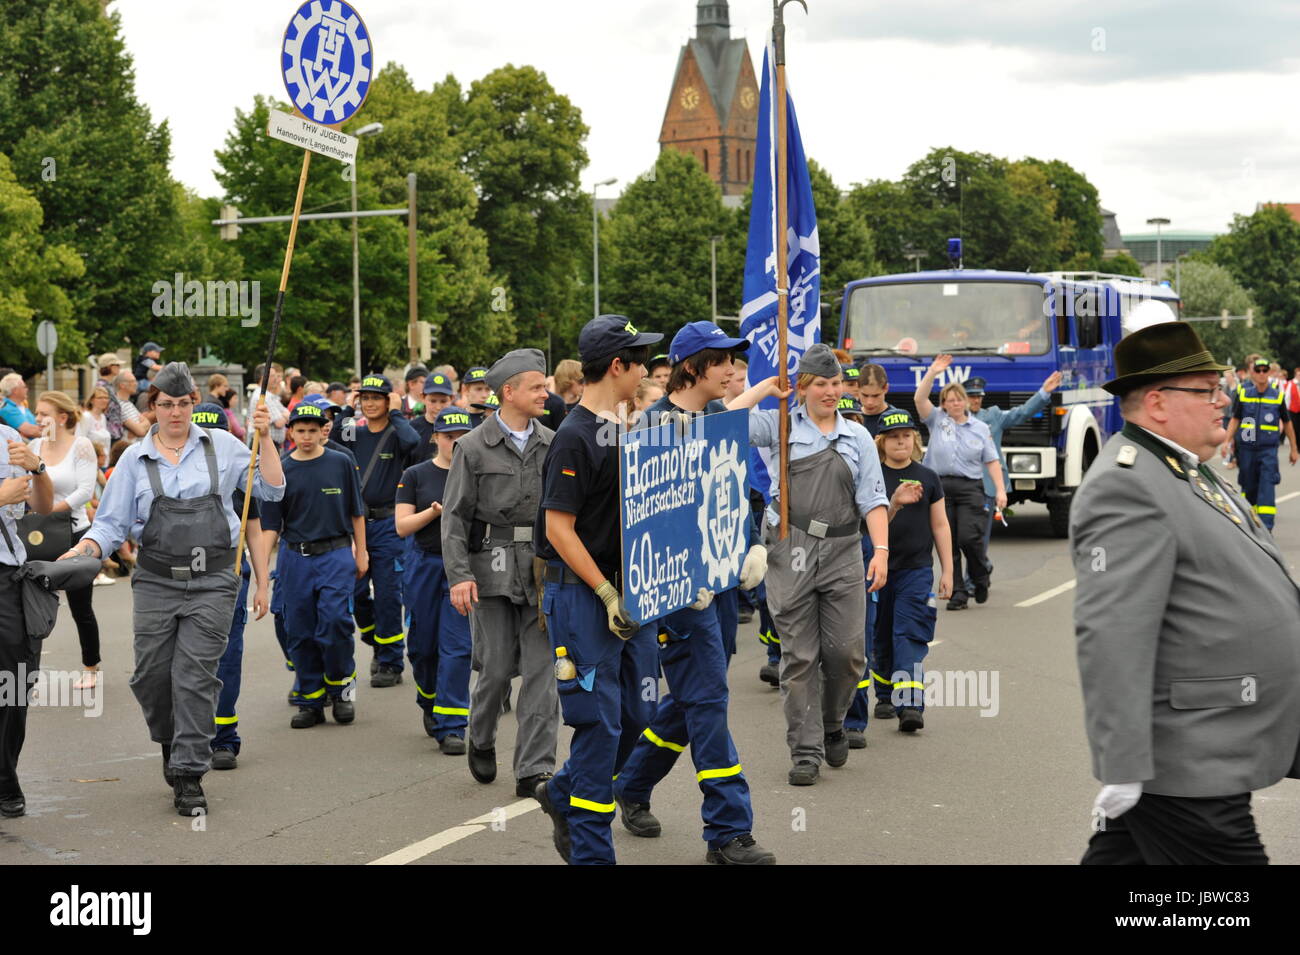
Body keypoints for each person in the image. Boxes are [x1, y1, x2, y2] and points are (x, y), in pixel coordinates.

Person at [1073, 321, 1300, 865]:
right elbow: (1113, 634)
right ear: (1157, 402)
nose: (1223, 400)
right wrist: (1123, 763)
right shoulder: (1126, 485)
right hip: (1190, 756)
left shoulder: (1185, 470)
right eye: (1207, 390)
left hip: (1216, 738)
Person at [62, 362, 284, 815]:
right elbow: (109, 523)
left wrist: (266, 438)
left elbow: (273, 492)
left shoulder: (224, 446)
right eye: (167, 404)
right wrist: (86, 547)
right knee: (152, 677)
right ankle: (172, 741)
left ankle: (187, 773)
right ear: (153, 407)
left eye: (184, 404)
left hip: (214, 581)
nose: (176, 412)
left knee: (195, 677)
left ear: (193, 405)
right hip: (156, 581)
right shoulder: (133, 459)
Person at [612, 321, 776, 864]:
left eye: (734, 359)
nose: (733, 369)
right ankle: (727, 831)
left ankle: (625, 786)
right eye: (724, 359)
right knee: (708, 699)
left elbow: (733, 494)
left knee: (688, 699)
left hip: (721, 587)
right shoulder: (653, 429)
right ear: (694, 366)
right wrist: (680, 578)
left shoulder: (715, 420)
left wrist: (751, 546)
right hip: (683, 597)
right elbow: (642, 521)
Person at [533, 315, 663, 865]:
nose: (646, 371)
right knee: (598, 724)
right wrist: (606, 593)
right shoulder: (575, 436)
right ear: (617, 366)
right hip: (586, 597)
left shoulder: (624, 428)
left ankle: (561, 795)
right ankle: (591, 851)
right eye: (640, 361)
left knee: (638, 716)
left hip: (629, 591)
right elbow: (557, 529)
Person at [748, 343, 890, 786]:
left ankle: (833, 723)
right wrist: (764, 390)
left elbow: (873, 499)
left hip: (845, 550)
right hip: (791, 546)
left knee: (847, 654)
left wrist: (881, 551)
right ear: (803, 387)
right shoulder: (779, 426)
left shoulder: (858, 436)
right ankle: (805, 751)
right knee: (800, 657)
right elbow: (719, 425)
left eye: (836, 383)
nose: (830, 392)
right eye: (821, 384)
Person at [442, 349, 560, 796]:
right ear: (508, 392)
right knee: (493, 670)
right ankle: (482, 734)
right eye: (536, 386)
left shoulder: (553, 442)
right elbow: (453, 517)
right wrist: (459, 576)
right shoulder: (472, 447)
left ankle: (534, 768)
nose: (544, 393)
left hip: (542, 569)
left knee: (541, 673)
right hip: (489, 568)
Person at [260, 401, 366, 729]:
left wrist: (361, 552)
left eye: (312, 431)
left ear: (323, 431)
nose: (307, 437)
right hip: (294, 557)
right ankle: (310, 698)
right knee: (299, 629)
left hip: (335, 553)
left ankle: (341, 688)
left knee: (335, 622)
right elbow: (270, 527)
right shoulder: (282, 468)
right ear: (290, 432)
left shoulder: (340, 462)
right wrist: (262, 572)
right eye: (300, 430)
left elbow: (356, 512)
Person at [190, 403, 271, 768]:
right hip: (186, 579)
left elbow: (254, 532)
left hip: (229, 577)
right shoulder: (180, 473)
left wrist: (262, 584)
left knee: (227, 657)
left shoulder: (241, 473)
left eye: (217, 435)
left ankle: (224, 736)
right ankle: (191, 734)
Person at [864, 410, 952, 734]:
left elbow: (940, 526)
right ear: (882, 442)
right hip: (879, 569)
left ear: (914, 439)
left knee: (909, 634)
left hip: (916, 570)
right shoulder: (871, 476)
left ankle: (910, 703)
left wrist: (948, 572)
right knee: (881, 635)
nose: (900, 441)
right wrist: (895, 503)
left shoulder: (928, 477)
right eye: (893, 437)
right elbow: (871, 528)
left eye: (905, 435)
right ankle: (885, 694)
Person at [396, 407, 474, 753]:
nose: (455, 443)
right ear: (436, 438)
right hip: (423, 564)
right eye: (448, 437)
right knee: (422, 647)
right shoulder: (415, 474)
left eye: (461, 437)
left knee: (457, 647)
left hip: (460, 568)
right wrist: (434, 512)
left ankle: (452, 724)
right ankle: (429, 699)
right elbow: (401, 526)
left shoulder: (476, 471)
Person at [338, 373, 420, 686]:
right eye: (365, 398)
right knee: (357, 594)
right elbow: (332, 437)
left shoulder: (397, 432)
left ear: (388, 401)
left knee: (387, 595)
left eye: (377, 398)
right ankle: (376, 640)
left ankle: (391, 661)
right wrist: (347, 409)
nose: (370, 403)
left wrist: (397, 412)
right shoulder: (354, 433)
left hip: (388, 525)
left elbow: (412, 442)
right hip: (356, 525)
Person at [913, 355, 1005, 611]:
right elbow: (920, 399)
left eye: (958, 399)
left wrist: (1000, 490)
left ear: (966, 402)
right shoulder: (937, 420)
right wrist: (932, 372)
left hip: (970, 488)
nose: (954, 403)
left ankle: (980, 574)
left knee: (969, 538)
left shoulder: (979, 427)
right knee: (948, 542)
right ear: (943, 403)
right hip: (941, 487)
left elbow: (992, 461)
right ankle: (958, 592)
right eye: (949, 400)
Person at [844, 362, 904, 734]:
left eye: (873, 397)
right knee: (864, 629)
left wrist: (882, 545)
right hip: (845, 538)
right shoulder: (843, 425)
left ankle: (878, 698)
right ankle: (851, 709)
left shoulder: (894, 425)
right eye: (860, 397)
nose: (866, 404)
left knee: (881, 625)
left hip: (878, 536)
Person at [0, 422, 55, 818]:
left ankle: (5, 775)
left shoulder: (7, 437)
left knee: (17, 681)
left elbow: (43, 507)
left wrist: (38, 469)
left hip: (8, 576)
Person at [31, 392, 103, 690]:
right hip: (37, 534)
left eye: (44, 414)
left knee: (80, 607)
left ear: (62, 417)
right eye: (36, 413)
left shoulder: (81, 445)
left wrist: (49, 509)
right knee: (30, 606)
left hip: (74, 533)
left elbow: (85, 492)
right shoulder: (33, 446)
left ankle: (91, 666)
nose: (38, 419)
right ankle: (26, 671)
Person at [966, 371, 1061, 587]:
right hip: (962, 486)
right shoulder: (953, 420)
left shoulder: (993, 416)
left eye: (979, 396)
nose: (976, 400)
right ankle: (983, 567)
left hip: (986, 486)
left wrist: (1043, 392)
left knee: (978, 536)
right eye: (972, 396)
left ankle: (971, 580)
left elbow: (1022, 413)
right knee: (963, 537)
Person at [1225, 357, 1297, 530]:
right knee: (1248, 488)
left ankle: (1266, 529)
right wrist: (1226, 442)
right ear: (1252, 373)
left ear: (1270, 373)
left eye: (1265, 370)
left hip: (1268, 451)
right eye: (1258, 370)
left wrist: (1294, 449)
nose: (1262, 373)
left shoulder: (1277, 396)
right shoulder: (1244, 394)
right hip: (1247, 449)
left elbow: (1287, 423)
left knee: (1266, 488)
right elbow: (1235, 419)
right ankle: (1250, 524)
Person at [410, 372, 455, 461]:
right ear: (422, 397)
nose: (438, 407)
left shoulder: (458, 428)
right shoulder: (412, 428)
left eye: (443, 401)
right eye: (433, 401)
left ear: (452, 398)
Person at [247, 363, 289, 450]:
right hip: (263, 446)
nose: (276, 379)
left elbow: (286, 412)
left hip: (268, 445)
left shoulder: (268, 395)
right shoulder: (262, 396)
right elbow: (279, 423)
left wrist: (284, 415)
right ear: (264, 377)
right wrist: (285, 416)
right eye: (273, 376)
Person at [112, 371, 151, 439]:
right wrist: (141, 427)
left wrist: (138, 427)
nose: (136, 384)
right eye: (132, 381)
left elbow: (148, 423)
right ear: (122, 385)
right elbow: (140, 432)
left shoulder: (129, 404)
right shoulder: (118, 406)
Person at [0, 374, 41, 439]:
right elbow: (31, 431)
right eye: (24, 387)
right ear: (15, 390)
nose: (27, 389)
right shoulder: (7, 409)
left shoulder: (22, 406)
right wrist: (51, 431)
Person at [78, 387, 113, 453]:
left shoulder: (103, 417)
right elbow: (80, 440)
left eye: (106, 398)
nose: (104, 400)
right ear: (91, 400)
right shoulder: (86, 417)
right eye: (100, 398)